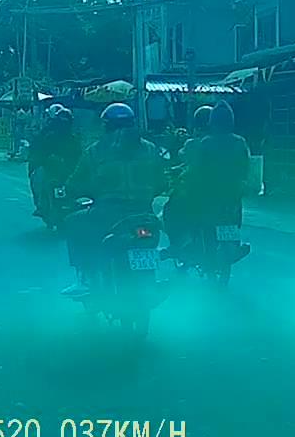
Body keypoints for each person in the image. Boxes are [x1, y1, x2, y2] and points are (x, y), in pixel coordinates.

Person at [61, 103, 166, 297]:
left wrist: (78, 193)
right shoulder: (150, 149)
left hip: (108, 215)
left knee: (72, 221)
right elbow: (162, 183)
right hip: (144, 214)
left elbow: (74, 185)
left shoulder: (95, 151)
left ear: (106, 125)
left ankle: (85, 278)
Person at [165, 101, 250, 258]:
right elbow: (245, 169)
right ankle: (231, 245)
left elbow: (196, 170)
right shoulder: (240, 142)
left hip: (208, 195)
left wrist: (185, 181)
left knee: (177, 208)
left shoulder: (206, 143)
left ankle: (180, 246)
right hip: (233, 197)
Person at [162, 105, 212, 251]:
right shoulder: (231, 142)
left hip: (197, 192)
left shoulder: (194, 143)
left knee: (170, 210)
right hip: (226, 194)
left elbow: (184, 157)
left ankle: (176, 245)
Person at [28, 104, 82, 217]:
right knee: (37, 176)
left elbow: (79, 156)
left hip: (68, 171)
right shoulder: (45, 135)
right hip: (49, 169)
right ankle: (41, 205)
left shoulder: (74, 138)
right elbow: (37, 152)